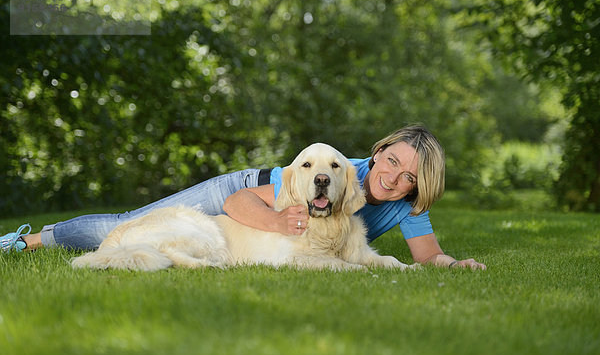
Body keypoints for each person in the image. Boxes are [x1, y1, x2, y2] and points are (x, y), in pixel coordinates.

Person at [0, 124, 486, 270]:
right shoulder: (337, 170)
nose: (396, 178)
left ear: (420, 187)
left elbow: (428, 256)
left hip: (262, 227)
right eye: (393, 162)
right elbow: (238, 207)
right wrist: (280, 223)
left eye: (410, 177)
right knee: (123, 224)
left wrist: (453, 265)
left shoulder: (407, 204)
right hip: (242, 194)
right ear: (378, 155)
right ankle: (29, 242)